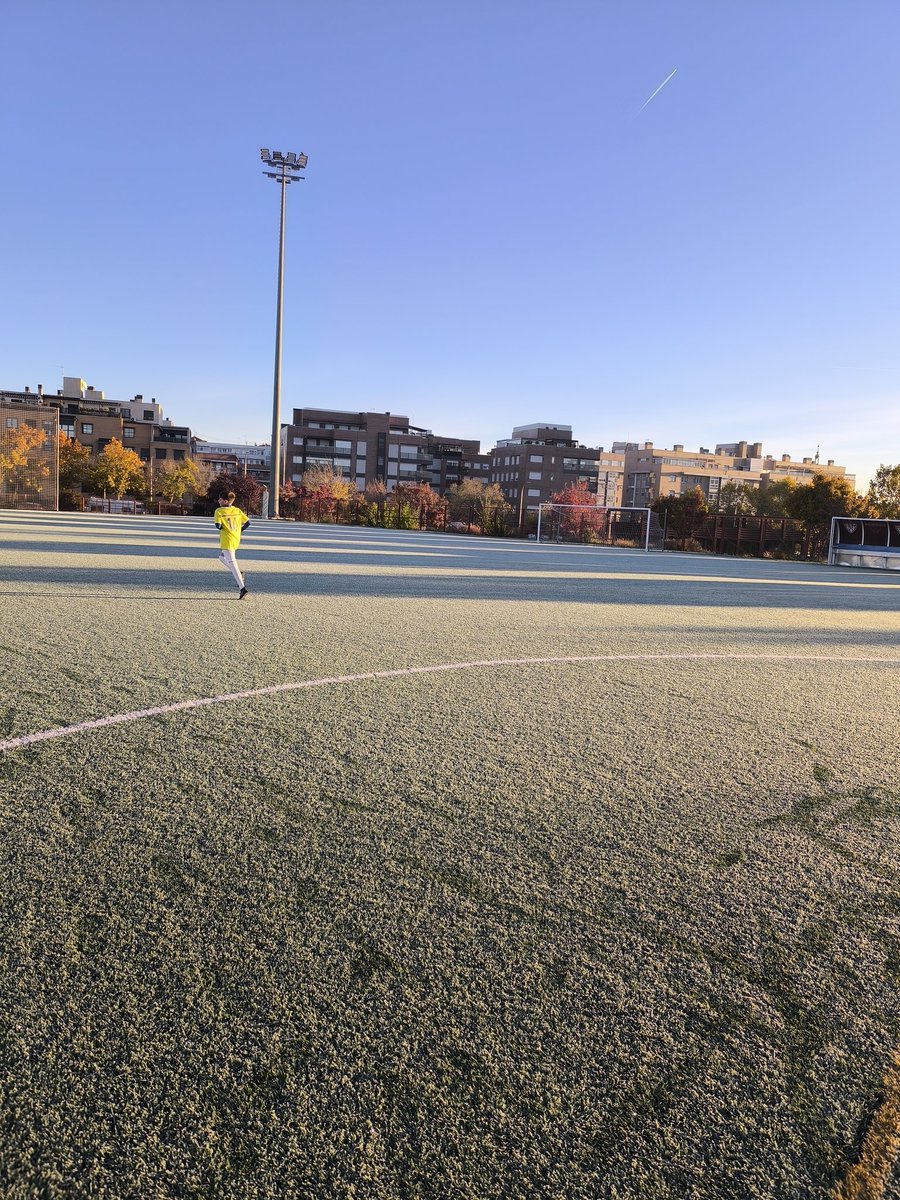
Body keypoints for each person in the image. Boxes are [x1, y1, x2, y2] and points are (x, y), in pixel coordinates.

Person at [213, 491, 250, 599]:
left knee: (233, 564)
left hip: (227, 540)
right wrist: (239, 530)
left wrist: (222, 527)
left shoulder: (219, 511)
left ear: (225, 501)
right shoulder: (237, 510)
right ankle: (239, 573)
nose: (218, 501)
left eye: (220, 499)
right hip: (236, 539)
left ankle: (242, 588)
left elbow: (218, 526)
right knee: (221, 557)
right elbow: (248, 523)